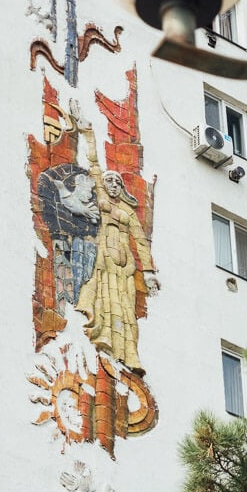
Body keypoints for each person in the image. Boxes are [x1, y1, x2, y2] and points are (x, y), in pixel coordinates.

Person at [73, 109, 159, 374]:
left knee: (127, 314)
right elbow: (95, 168)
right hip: (105, 264)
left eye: (115, 182)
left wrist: (149, 272)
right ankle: (106, 340)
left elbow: (141, 241)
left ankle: (131, 355)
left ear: (121, 188)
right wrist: (89, 136)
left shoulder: (129, 212)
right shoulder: (102, 202)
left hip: (125, 268)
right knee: (106, 306)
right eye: (108, 181)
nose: (110, 184)